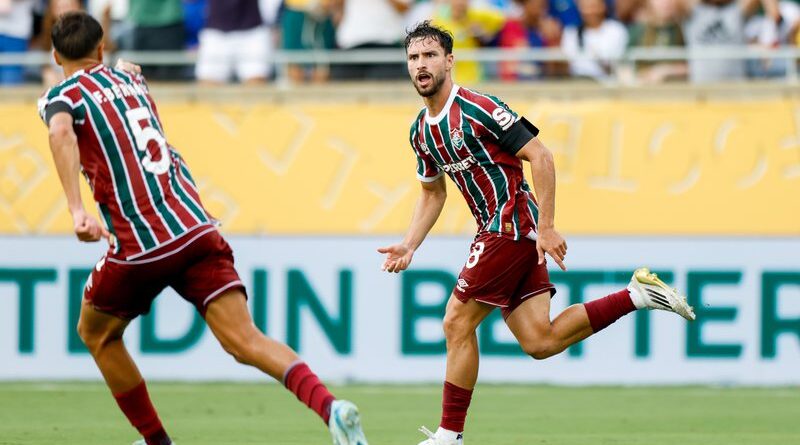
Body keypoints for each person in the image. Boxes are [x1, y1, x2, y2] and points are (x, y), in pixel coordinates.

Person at [38, 12, 368, 445]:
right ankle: (331, 408)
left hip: (142, 243)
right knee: (245, 339)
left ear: (54, 54)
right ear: (102, 47)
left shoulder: (60, 96)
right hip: (195, 227)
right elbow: (125, 80)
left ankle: (157, 442)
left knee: (96, 333)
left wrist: (76, 210)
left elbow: (61, 132)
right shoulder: (133, 79)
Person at [379, 21, 695, 445]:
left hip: (509, 226)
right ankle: (637, 294)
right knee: (539, 340)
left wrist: (545, 227)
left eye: (430, 56)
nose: (421, 65)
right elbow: (432, 193)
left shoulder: (478, 107)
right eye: (414, 58)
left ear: (449, 61)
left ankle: (448, 435)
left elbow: (540, 156)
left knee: (455, 323)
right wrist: (410, 243)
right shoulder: (420, 130)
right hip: (506, 231)